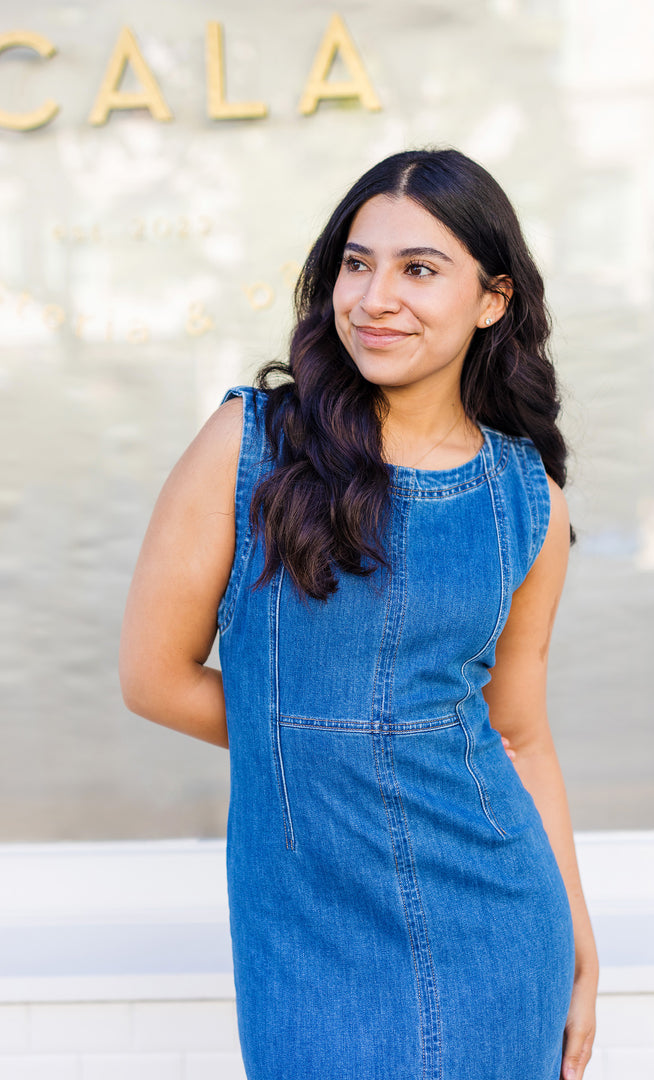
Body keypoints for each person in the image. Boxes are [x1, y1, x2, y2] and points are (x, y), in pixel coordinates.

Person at [119, 147, 598, 1080]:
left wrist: (579, 935)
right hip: (309, 933)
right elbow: (153, 678)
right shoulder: (251, 444)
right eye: (357, 262)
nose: (376, 298)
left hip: (499, 923)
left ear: (491, 299)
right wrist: (322, 734)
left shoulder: (526, 497)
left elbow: (521, 736)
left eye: (420, 269)